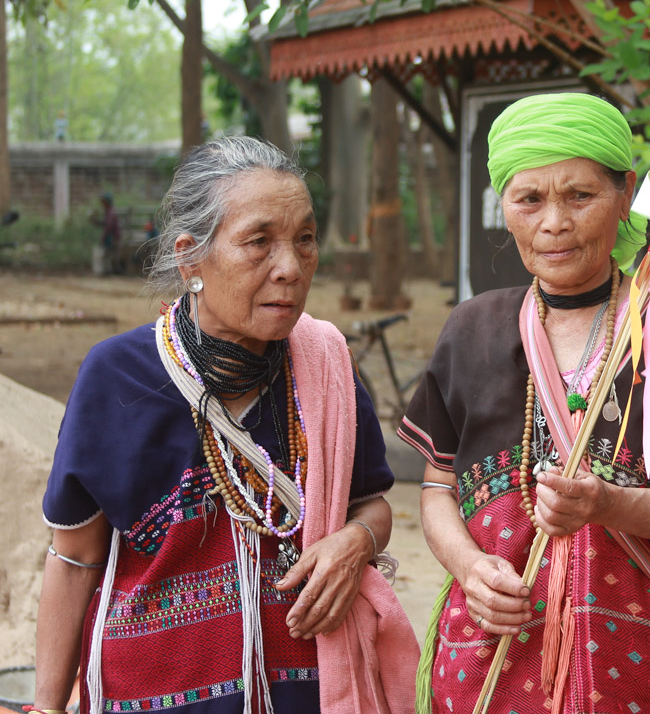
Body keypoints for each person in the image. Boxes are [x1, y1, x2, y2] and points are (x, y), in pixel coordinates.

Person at [398, 92, 650, 714]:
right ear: (505, 207)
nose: (554, 223)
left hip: (641, 666)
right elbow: (437, 488)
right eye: (529, 199)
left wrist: (610, 504)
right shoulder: (472, 330)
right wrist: (469, 569)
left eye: (580, 196)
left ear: (625, 195)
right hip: (492, 657)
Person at [35, 136, 419, 714]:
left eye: (305, 239)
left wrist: (355, 541)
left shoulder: (325, 366)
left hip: (309, 694)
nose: (290, 267)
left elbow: (370, 505)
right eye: (259, 242)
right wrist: (46, 706)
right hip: (149, 694)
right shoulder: (117, 376)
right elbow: (75, 558)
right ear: (191, 258)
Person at [92, 192, 121, 275]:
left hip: (113, 239)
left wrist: (103, 237)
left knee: (106, 255)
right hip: (112, 238)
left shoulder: (111, 212)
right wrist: (96, 222)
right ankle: (109, 271)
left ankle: (107, 272)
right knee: (108, 256)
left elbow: (109, 227)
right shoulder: (109, 211)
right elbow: (106, 223)